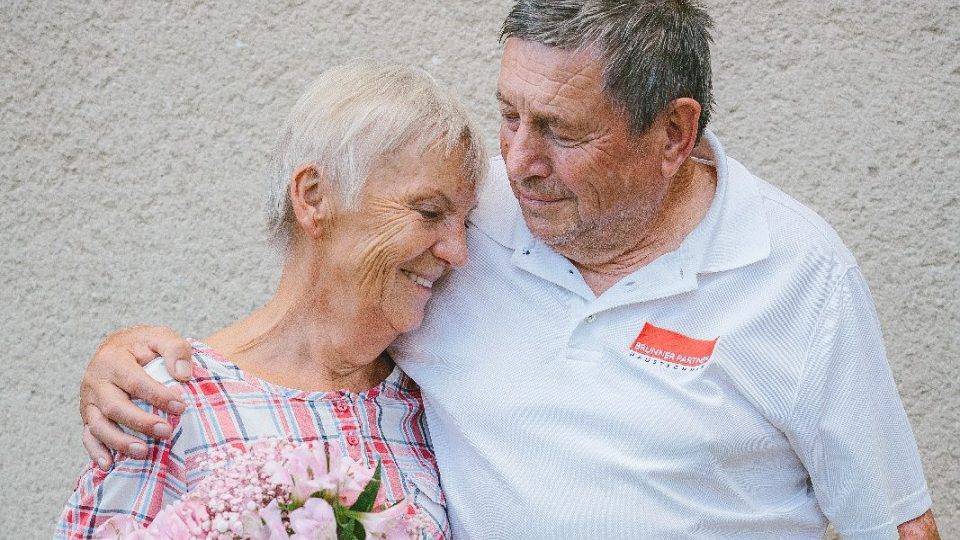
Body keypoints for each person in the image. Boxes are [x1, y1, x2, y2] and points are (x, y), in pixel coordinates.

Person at [77, 1, 941, 538]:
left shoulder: (797, 274)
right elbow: (329, 295)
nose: (519, 163)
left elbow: (892, 523)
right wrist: (126, 357)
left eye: (562, 132)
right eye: (507, 115)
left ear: (672, 136)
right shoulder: (469, 214)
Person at [55, 61, 487, 539]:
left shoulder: (435, 404)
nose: (458, 253)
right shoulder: (169, 401)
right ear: (314, 197)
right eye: (429, 212)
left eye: (465, 224)